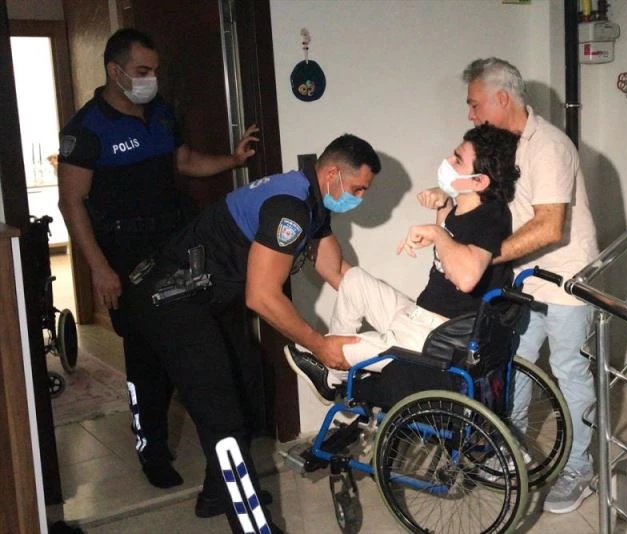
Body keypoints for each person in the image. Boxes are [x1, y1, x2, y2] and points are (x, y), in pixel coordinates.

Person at [125, 134, 381, 529]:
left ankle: (217, 494)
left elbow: (336, 272)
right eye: (358, 188)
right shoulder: (290, 207)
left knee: (246, 385)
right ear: (332, 173)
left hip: (201, 299)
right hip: (169, 301)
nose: (360, 198)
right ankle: (251, 524)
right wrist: (319, 346)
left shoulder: (311, 201)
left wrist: (391, 314)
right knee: (222, 416)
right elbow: (262, 297)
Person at [57, 27, 259, 489]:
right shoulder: (86, 129)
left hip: (175, 243)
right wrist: (99, 268)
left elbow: (185, 163)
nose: (151, 79)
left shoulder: (162, 113)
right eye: (142, 70)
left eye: (155, 70)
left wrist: (233, 160)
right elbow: (71, 203)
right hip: (124, 253)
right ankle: (152, 448)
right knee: (146, 354)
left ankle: (223, 458)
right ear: (115, 71)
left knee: (205, 342)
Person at [455, 57, 600, 514]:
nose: (471, 114)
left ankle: (580, 470)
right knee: (513, 363)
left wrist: (484, 256)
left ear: (501, 98)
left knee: (568, 371)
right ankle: (509, 448)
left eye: (475, 104)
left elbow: (549, 226)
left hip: (567, 279)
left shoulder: (548, 145)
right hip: (526, 279)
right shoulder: (504, 148)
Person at [284, 124, 520, 403]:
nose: (448, 160)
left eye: (457, 159)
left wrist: (436, 233)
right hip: (418, 316)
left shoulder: (492, 216)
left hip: (437, 338)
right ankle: (335, 375)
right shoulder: (464, 207)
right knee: (354, 280)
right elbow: (450, 251)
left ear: (479, 181)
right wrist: (443, 203)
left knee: (332, 347)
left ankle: (333, 373)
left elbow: (466, 278)